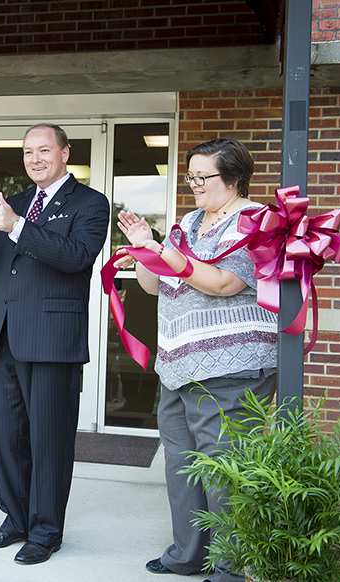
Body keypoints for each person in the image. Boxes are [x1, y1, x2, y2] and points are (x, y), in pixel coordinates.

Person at [0, 123, 110, 565]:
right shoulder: (14, 202)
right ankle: (15, 519)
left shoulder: (90, 204)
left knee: (49, 440)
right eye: (28, 152)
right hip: (4, 340)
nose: (35, 159)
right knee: (6, 436)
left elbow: (76, 257)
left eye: (44, 150)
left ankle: (46, 531)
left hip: (53, 340)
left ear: (65, 153)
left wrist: (19, 228)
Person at [114, 138, 278, 582]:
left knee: (225, 469)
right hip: (179, 364)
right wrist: (144, 249)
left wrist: (167, 254)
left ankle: (230, 566)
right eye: (190, 177)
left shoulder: (258, 222)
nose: (194, 185)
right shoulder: (188, 222)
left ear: (234, 178)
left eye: (203, 177)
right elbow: (154, 285)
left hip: (230, 365)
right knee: (182, 463)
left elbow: (225, 282)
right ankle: (188, 554)